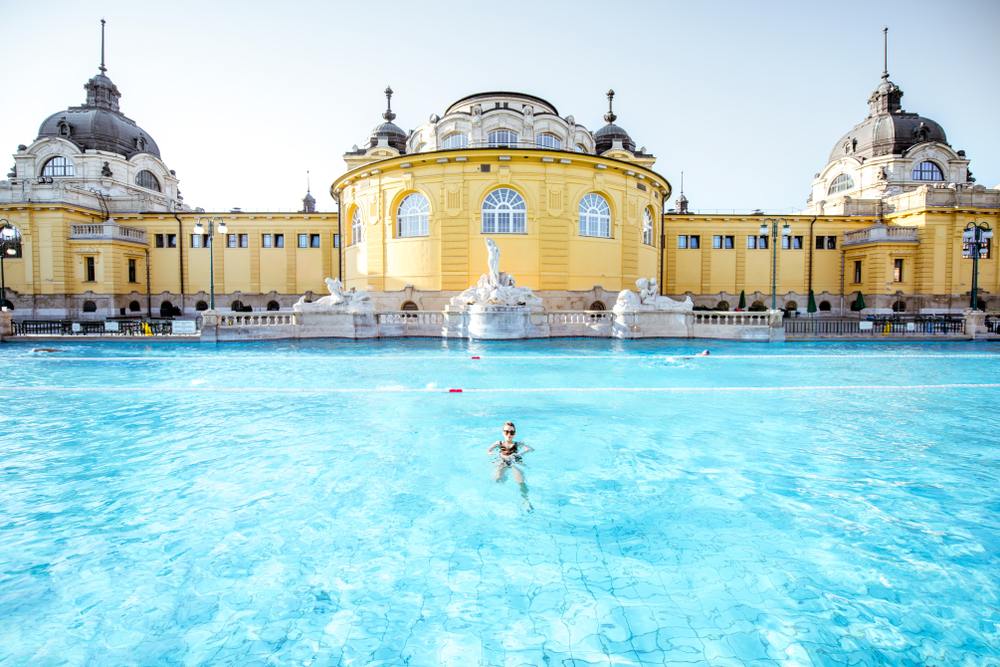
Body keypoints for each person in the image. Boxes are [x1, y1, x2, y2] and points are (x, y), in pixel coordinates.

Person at [487, 421, 534, 510]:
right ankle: (501, 499)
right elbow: (488, 451)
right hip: (502, 461)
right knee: (497, 477)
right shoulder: (498, 443)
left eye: (511, 432)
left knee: (521, 480)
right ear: (502, 432)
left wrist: (519, 453)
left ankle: (525, 500)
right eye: (506, 432)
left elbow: (530, 448)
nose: (509, 434)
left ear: (514, 433)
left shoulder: (517, 444)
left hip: (514, 462)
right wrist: (499, 454)